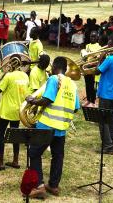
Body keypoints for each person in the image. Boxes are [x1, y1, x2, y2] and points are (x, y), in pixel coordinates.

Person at [26, 57, 80, 199]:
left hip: (46, 125)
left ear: (55, 66)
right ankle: (53, 185)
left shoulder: (55, 79)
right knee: (57, 156)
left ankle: (38, 186)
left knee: (34, 153)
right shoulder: (72, 84)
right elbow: (75, 108)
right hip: (61, 128)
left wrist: (32, 100)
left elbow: (47, 99)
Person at [0, 65, 30, 170]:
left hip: (7, 110)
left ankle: (0, 162)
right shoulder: (25, 75)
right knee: (15, 134)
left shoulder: (8, 76)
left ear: (11, 65)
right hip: (18, 110)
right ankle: (15, 161)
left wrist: (5, 74)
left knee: (0, 133)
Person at [95, 34, 113, 154]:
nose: (106, 46)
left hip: (105, 94)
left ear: (112, 45)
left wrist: (100, 58)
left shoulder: (110, 59)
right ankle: (112, 145)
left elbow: (97, 71)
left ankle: (107, 146)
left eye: (108, 44)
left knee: (103, 121)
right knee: (112, 121)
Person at [83, 31, 101, 107]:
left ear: (97, 37)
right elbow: (84, 57)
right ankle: (88, 100)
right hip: (86, 67)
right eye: (91, 36)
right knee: (87, 84)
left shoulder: (99, 47)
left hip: (93, 68)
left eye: (94, 36)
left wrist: (90, 65)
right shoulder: (87, 46)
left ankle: (93, 101)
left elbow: (98, 60)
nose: (92, 38)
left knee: (92, 86)